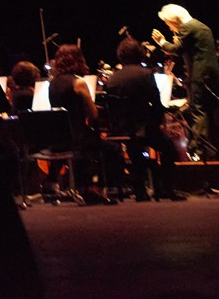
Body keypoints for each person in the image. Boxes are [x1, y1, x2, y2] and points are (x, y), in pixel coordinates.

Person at [103, 37, 181, 201]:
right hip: (143, 128)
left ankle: (140, 190)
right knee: (169, 149)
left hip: (121, 130)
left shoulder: (112, 79)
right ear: (140, 54)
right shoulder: (146, 74)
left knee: (134, 148)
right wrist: (158, 123)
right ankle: (166, 189)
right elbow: (156, 103)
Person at [151, 3, 219, 156]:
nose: (169, 27)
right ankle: (215, 148)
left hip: (199, 77)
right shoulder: (202, 27)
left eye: (168, 23)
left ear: (174, 20)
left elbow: (176, 49)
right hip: (212, 76)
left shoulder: (187, 27)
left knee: (198, 110)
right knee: (210, 111)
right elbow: (189, 49)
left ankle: (199, 150)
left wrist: (162, 42)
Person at [47, 44, 109, 204]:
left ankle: (79, 186)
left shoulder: (52, 84)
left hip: (58, 138)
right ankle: (95, 188)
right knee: (109, 147)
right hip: (76, 138)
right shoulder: (79, 83)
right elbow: (93, 114)